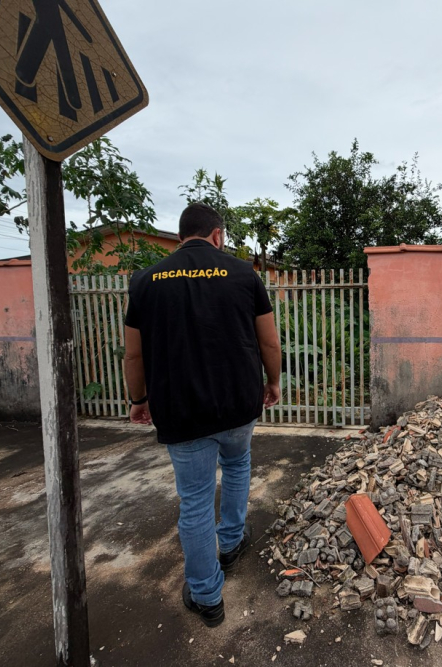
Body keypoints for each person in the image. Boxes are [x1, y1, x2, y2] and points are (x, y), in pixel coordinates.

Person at [123, 202, 281, 628]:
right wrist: (273, 382)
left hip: (181, 409)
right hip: (238, 403)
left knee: (194, 499)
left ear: (180, 238)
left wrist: (138, 399)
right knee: (238, 464)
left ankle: (207, 597)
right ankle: (230, 543)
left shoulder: (145, 281)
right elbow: (269, 342)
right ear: (217, 235)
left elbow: (134, 354)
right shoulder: (244, 274)